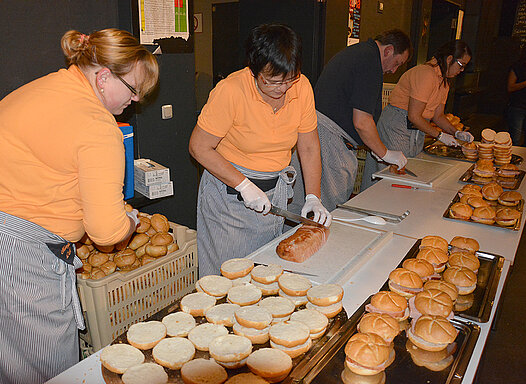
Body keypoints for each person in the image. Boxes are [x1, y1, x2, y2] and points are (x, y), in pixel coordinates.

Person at [0, 29, 158, 383]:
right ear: (104, 77)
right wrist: (130, 222)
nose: (136, 100)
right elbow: (106, 232)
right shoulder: (97, 125)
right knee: (42, 367)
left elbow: (47, 170)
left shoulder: (40, 89)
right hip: (13, 255)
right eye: (133, 89)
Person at [189, 23, 331, 277]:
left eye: (290, 79)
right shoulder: (231, 91)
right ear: (254, 71)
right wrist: (243, 184)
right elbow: (199, 147)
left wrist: (313, 197)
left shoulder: (302, 87)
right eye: (273, 81)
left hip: (274, 191)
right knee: (227, 276)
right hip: (228, 194)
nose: (283, 88)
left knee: (264, 271)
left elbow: (308, 147)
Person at [288, 30, 412, 215]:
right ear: (388, 50)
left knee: (305, 207)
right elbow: (362, 121)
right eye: (397, 63)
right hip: (330, 140)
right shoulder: (370, 62)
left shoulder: (361, 53)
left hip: (321, 133)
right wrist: (385, 153)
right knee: (327, 211)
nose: (393, 70)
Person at [362, 40, 474, 188]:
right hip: (397, 125)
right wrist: (440, 135)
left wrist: (456, 132)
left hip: (415, 129)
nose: (461, 70)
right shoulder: (426, 73)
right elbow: (414, 116)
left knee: (407, 173)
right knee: (391, 174)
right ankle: (371, 207)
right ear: (449, 59)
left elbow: (438, 115)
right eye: (461, 65)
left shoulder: (444, 81)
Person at [507, 44, 526, 146]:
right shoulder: (518, 66)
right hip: (518, 106)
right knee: (515, 139)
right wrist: (525, 83)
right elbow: (510, 87)